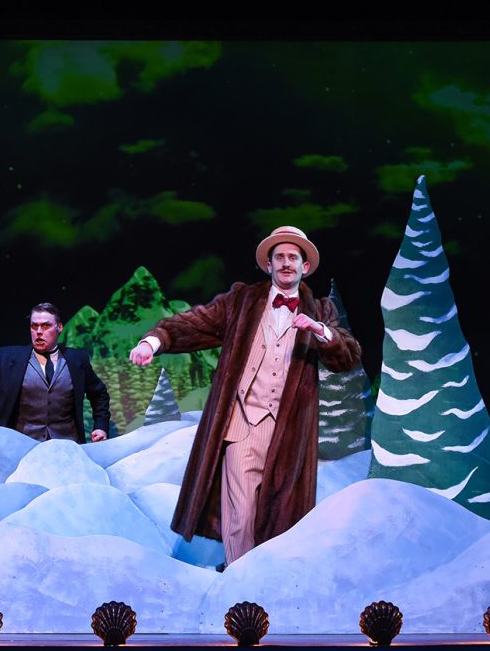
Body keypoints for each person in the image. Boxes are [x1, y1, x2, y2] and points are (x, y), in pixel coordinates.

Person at [129, 226, 361, 565]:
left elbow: (347, 357)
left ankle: (267, 583)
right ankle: (240, 587)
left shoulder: (321, 310)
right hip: (242, 423)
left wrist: (321, 332)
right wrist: (154, 341)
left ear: (305, 267)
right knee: (239, 513)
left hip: (288, 432)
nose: (285, 263)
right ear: (268, 265)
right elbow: (194, 323)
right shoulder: (241, 302)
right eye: (279, 257)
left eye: (292, 258)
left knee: (279, 516)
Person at [0, 302, 110, 443]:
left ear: (59, 327)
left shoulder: (77, 360)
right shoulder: (10, 357)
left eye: (45, 326)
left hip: (66, 447)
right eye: (34, 326)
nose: (38, 331)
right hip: (20, 446)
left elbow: (99, 394)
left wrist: (100, 427)